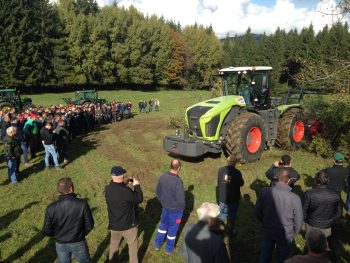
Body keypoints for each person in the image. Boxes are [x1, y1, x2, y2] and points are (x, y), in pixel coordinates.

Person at [254, 168, 303, 263]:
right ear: (289, 180)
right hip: (285, 233)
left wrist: (264, 222)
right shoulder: (295, 198)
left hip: (268, 230)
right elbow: (298, 220)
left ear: (276, 178)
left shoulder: (264, 191)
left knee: (265, 255)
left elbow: (256, 212)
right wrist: (293, 233)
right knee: (282, 258)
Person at [44, 177, 94, 263]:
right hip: (78, 241)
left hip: (60, 243)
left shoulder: (51, 207)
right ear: (71, 188)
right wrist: (80, 234)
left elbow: (47, 230)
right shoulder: (82, 204)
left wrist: (58, 236)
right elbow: (89, 225)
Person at [105, 166, 143, 263]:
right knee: (132, 246)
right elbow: (139, 199)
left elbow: (115, 186)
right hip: (129, 226)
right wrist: (137, 186)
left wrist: (125, 183)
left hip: (114, 225)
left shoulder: (108, 189)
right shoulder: (127, 192)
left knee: (114, 246)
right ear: (121, 176)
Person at [154, 159, 185, 254]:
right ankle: (169, 249)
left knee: (162, 226)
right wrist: (181, 209)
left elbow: (158, 192)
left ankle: (157, 245)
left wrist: (163, 202)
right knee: (173, 229)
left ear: (170, 166)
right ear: (178, 168)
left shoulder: (162, 177)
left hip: (164, 208)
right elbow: (181, 200)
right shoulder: (178, 182)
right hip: (176, 211)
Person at [303, 169, 342, 238]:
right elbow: (338, 213)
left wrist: (308, 220)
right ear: (328, 180)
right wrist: (331, 220)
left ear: (316, 180)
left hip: (312, 224)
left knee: (310, 244)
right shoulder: (336, 194)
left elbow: (303, 211)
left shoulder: (309, 193)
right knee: (323, 244)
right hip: (326, 225)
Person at [217, 156, 244, 232]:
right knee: (232, 215)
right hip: (233, 199)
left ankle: (219, 230)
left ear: (227, 162)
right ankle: (231, 230)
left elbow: (219, 182)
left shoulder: (220, 170)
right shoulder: (237, 172)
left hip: (223, 197)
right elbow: (241, 183)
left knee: (222, 214)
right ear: (235, 163)